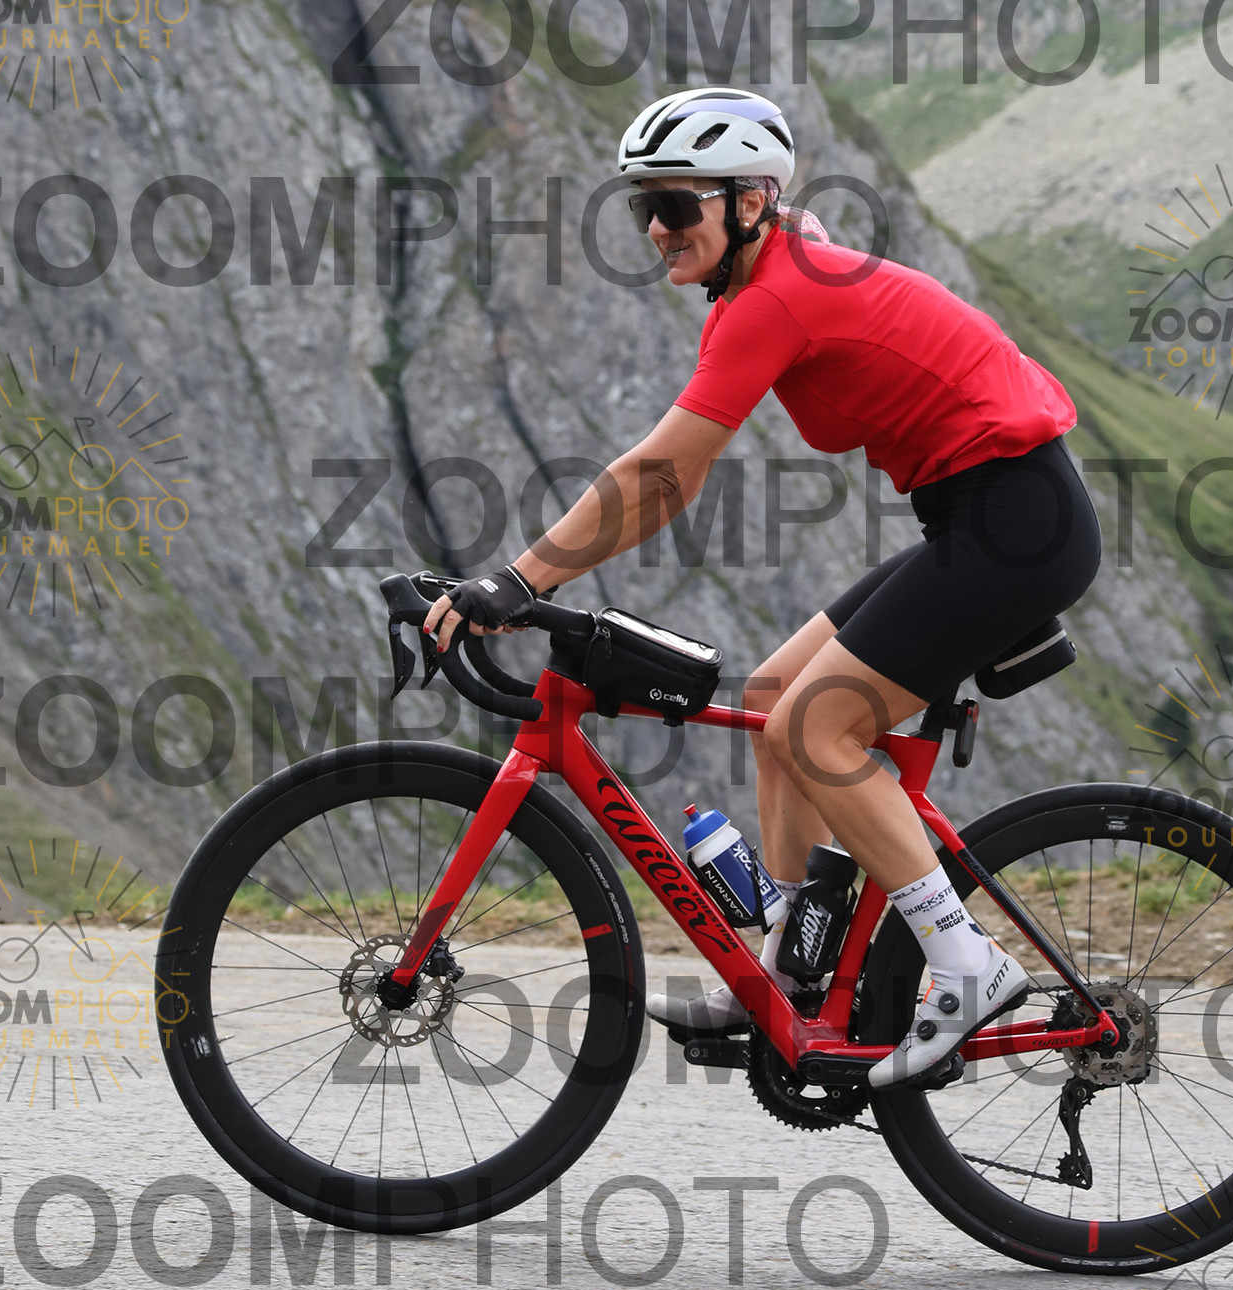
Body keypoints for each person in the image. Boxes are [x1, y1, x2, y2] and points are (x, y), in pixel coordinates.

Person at [425, 87, 1101, 1087]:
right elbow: (674, 480)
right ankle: (792, 970)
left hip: (1018, 522)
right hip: (981, 515)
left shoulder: (776, 294)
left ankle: (966, 964)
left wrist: (518, 579)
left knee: (816, 727)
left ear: (749, 203)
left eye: (676, 206)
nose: (656, 229)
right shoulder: (768, 275)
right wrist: (529, 577)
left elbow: (658, 474)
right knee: (779, 695)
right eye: (643, 208)